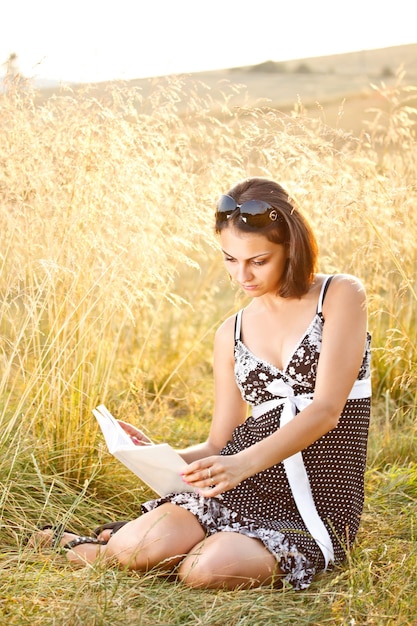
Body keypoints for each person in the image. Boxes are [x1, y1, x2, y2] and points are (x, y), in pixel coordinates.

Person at [30, 177, 371, 591]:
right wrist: (158, 453)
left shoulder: (340, 294)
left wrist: (240, 464)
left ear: (292, 248)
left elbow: (327, 410)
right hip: (242, 482)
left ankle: (143, 548)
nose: (241, 274)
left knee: (203, 572)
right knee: (135, 549)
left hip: (317, 499)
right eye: (230, 259)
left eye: (258, 260)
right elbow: (218, 443)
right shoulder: (232, 330)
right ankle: (124, 546)